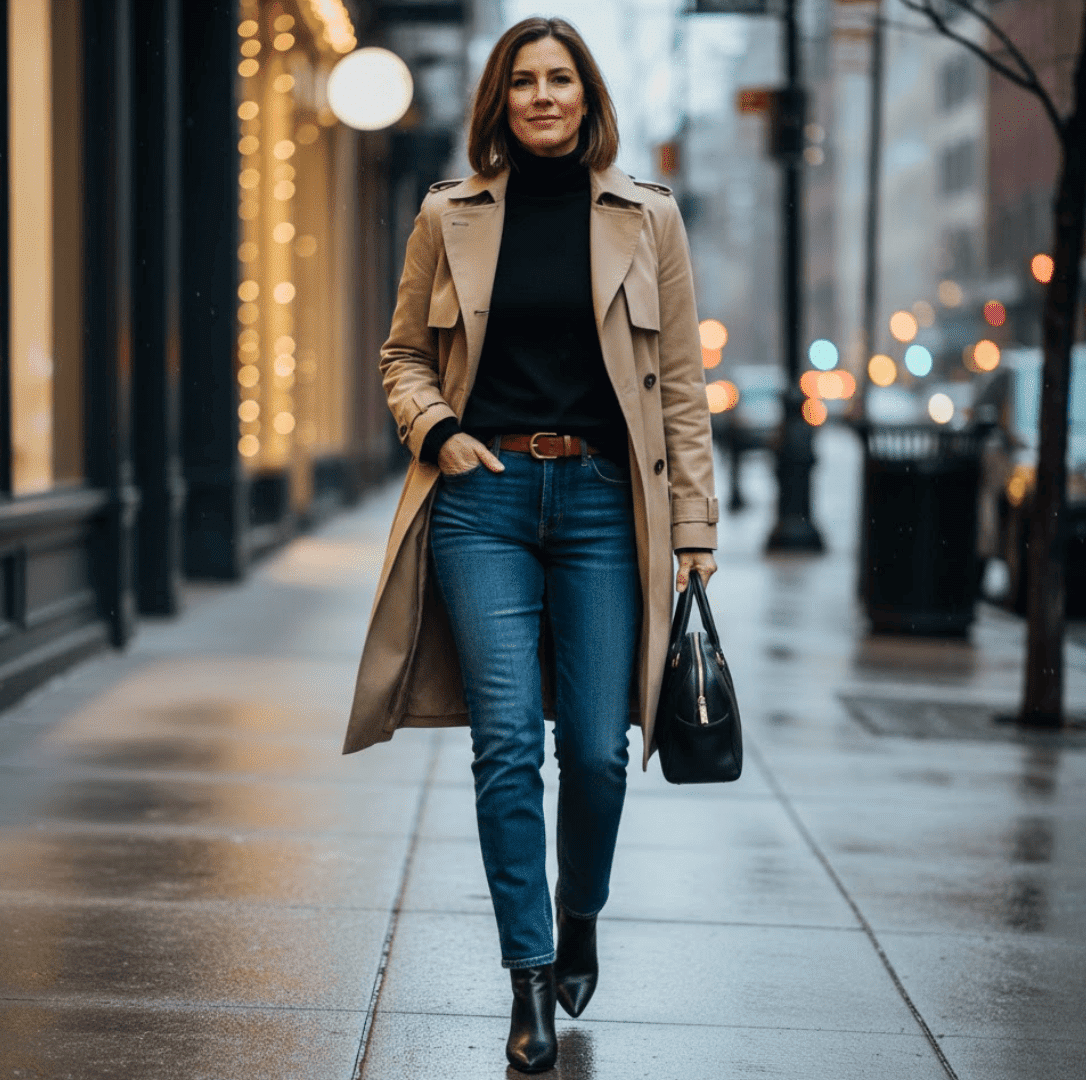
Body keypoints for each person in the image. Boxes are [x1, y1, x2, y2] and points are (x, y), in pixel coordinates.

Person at [342, 16, 718, 1073]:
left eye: (560, 79)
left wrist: (693, 529)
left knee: (598, 753)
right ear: (498, 104)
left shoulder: (649, 219)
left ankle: (579, 912)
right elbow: (403, 353)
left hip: (604, 504)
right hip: (486, 501)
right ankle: (529, 980)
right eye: (523, 83)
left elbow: (681, 391)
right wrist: (442, 434)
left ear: (589, 97)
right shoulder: (445, 216)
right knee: (505, 744)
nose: (543, 96)